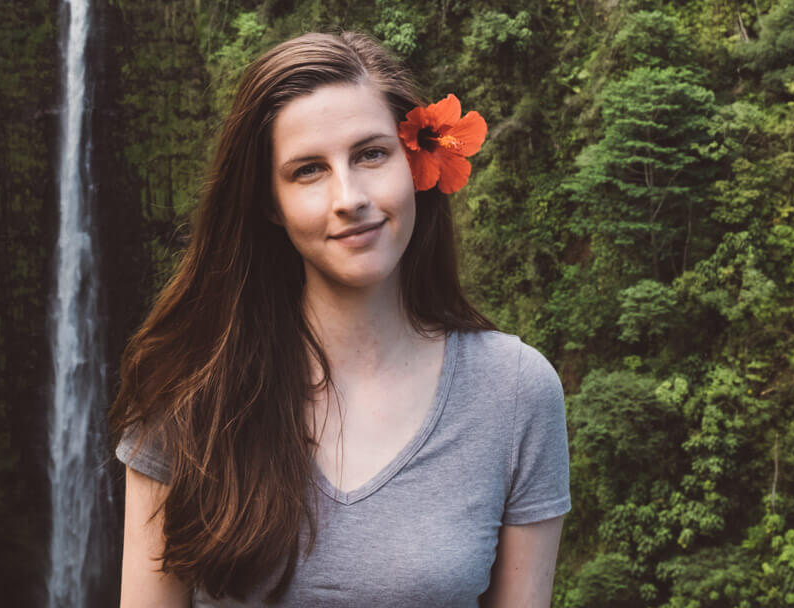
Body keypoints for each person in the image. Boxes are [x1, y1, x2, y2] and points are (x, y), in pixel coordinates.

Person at [111, 30, 569, 607]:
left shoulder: (515, 393)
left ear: (417, 162)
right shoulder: (189, 392)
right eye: (308, 170)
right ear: (268, 206)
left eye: (371, 154)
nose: (348, 196)